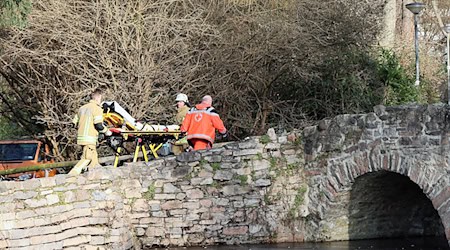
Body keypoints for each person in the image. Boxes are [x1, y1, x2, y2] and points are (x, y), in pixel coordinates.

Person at [72, 88, 112, 169]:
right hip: (89, 138)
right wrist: (107, 131)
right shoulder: (97, 109)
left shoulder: (81, 108)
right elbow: (98, 125)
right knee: (86, 159)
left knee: (94, 162)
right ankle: (71, 177)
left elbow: (73, 123)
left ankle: (96, 177)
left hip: (81, 138)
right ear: (98, 97)